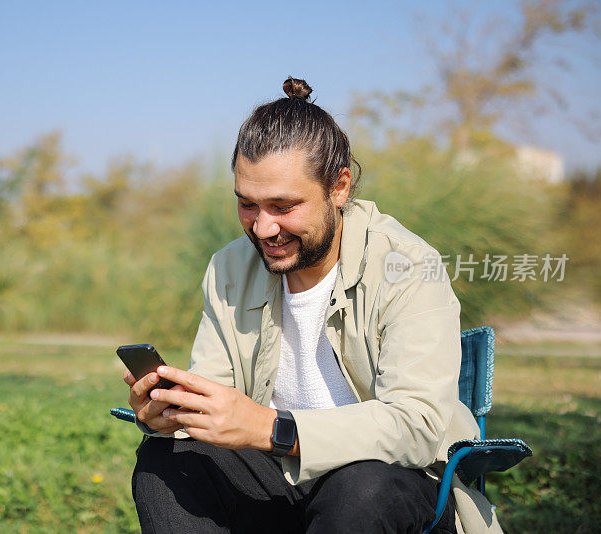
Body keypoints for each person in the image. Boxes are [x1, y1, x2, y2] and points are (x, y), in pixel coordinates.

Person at [123, 77, 502, 533]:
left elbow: (416, 426)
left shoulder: (409, 266)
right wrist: (174, 413)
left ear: (339, 187)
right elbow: (217, 399)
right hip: (275, 478)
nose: (263, 228)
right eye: (247, 205)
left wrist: (272, 427)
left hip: (393, 483)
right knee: (168, 460)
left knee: (361, 487)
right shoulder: (229, 267)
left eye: (283, 206)